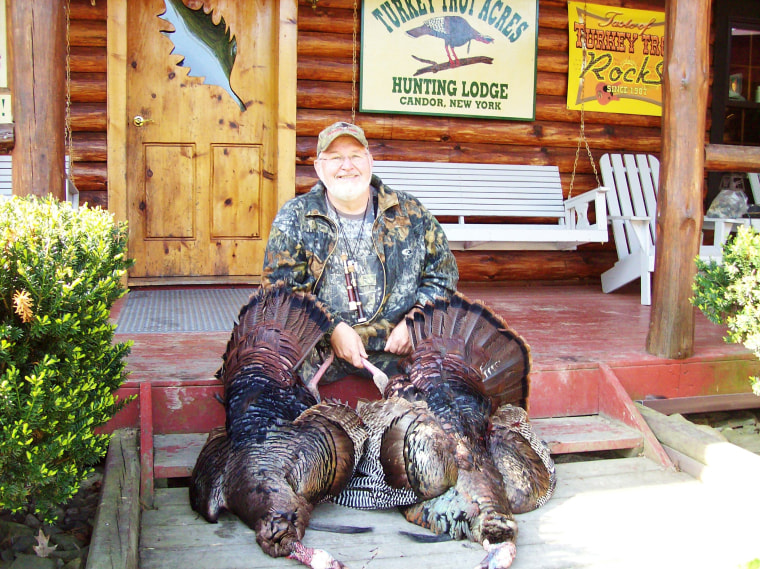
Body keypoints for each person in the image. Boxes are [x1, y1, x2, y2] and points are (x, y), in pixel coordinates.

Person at [261, 121, 458, 388]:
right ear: (319, 167)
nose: (347, 165)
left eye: (355, 156)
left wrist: (416, 321)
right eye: (335, 158)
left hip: (402, 351)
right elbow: (281, 290)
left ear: (370, 161)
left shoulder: (411, 212)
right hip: (319, 355)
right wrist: (332, 329)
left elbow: (442, 276)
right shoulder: (294, 216)